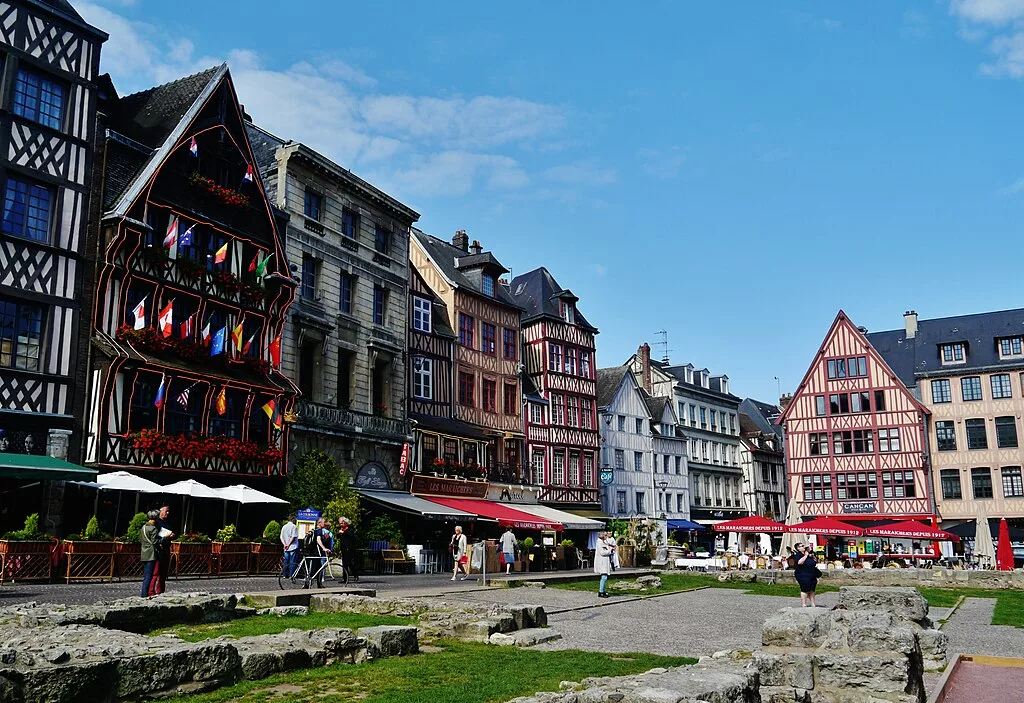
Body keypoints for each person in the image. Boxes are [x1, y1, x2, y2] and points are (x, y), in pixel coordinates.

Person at [149, 505, 175, 595]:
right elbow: (154, 537)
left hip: (166, 549)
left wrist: (172, 536)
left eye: (168, 511)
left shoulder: (168, 523)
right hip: (158, 549)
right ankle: (151, 591)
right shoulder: (156, 523)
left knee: (163, 573)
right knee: (155, 572)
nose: (168, 513)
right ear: (160, 511)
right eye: (166, 511)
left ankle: (161, 591)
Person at [140, 510, 163, 598]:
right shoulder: (153, 528)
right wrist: (164, 539)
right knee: (149, 576)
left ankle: (144, 593)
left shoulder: (144, 527)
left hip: (144, 552)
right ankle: (144, 595)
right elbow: (155, 542)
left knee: (146, 575)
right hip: (151, 554)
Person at [793, 542, 819, 607]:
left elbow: (814, 562)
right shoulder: (798, 555)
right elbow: (799, 562)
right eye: (802, 546)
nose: (804, 547)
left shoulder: (807, 554)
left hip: (811, 574)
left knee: (812, 589)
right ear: (798, 548)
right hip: (803, 575)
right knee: (805, 589)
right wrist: (806, 556)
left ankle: (813, 603)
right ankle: (804, 604)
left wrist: (813, 557)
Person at [337, 517, 358, 582]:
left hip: (349, 547)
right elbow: (339, 536)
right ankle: (345, 578)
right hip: (343, 547)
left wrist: (343, 532)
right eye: (340, 523)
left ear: (345, 522)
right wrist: (339, 533)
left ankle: (355, 575)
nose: (341, 525)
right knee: (344, 563)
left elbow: (351, 535)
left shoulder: (350, 528)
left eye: (342, 523)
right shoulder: (341, 528)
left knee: (349, 562)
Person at [594, 532, 614, 598]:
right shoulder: (599, 542)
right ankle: (601, 592)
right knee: (604, 577)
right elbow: (602, 552)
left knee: (605, 577)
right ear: (602, 535)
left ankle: (603, 590)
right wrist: (610, 551)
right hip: (602, 562)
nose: (606, 536)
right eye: (605, 535)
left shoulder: (603, 542)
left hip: (605, 561)